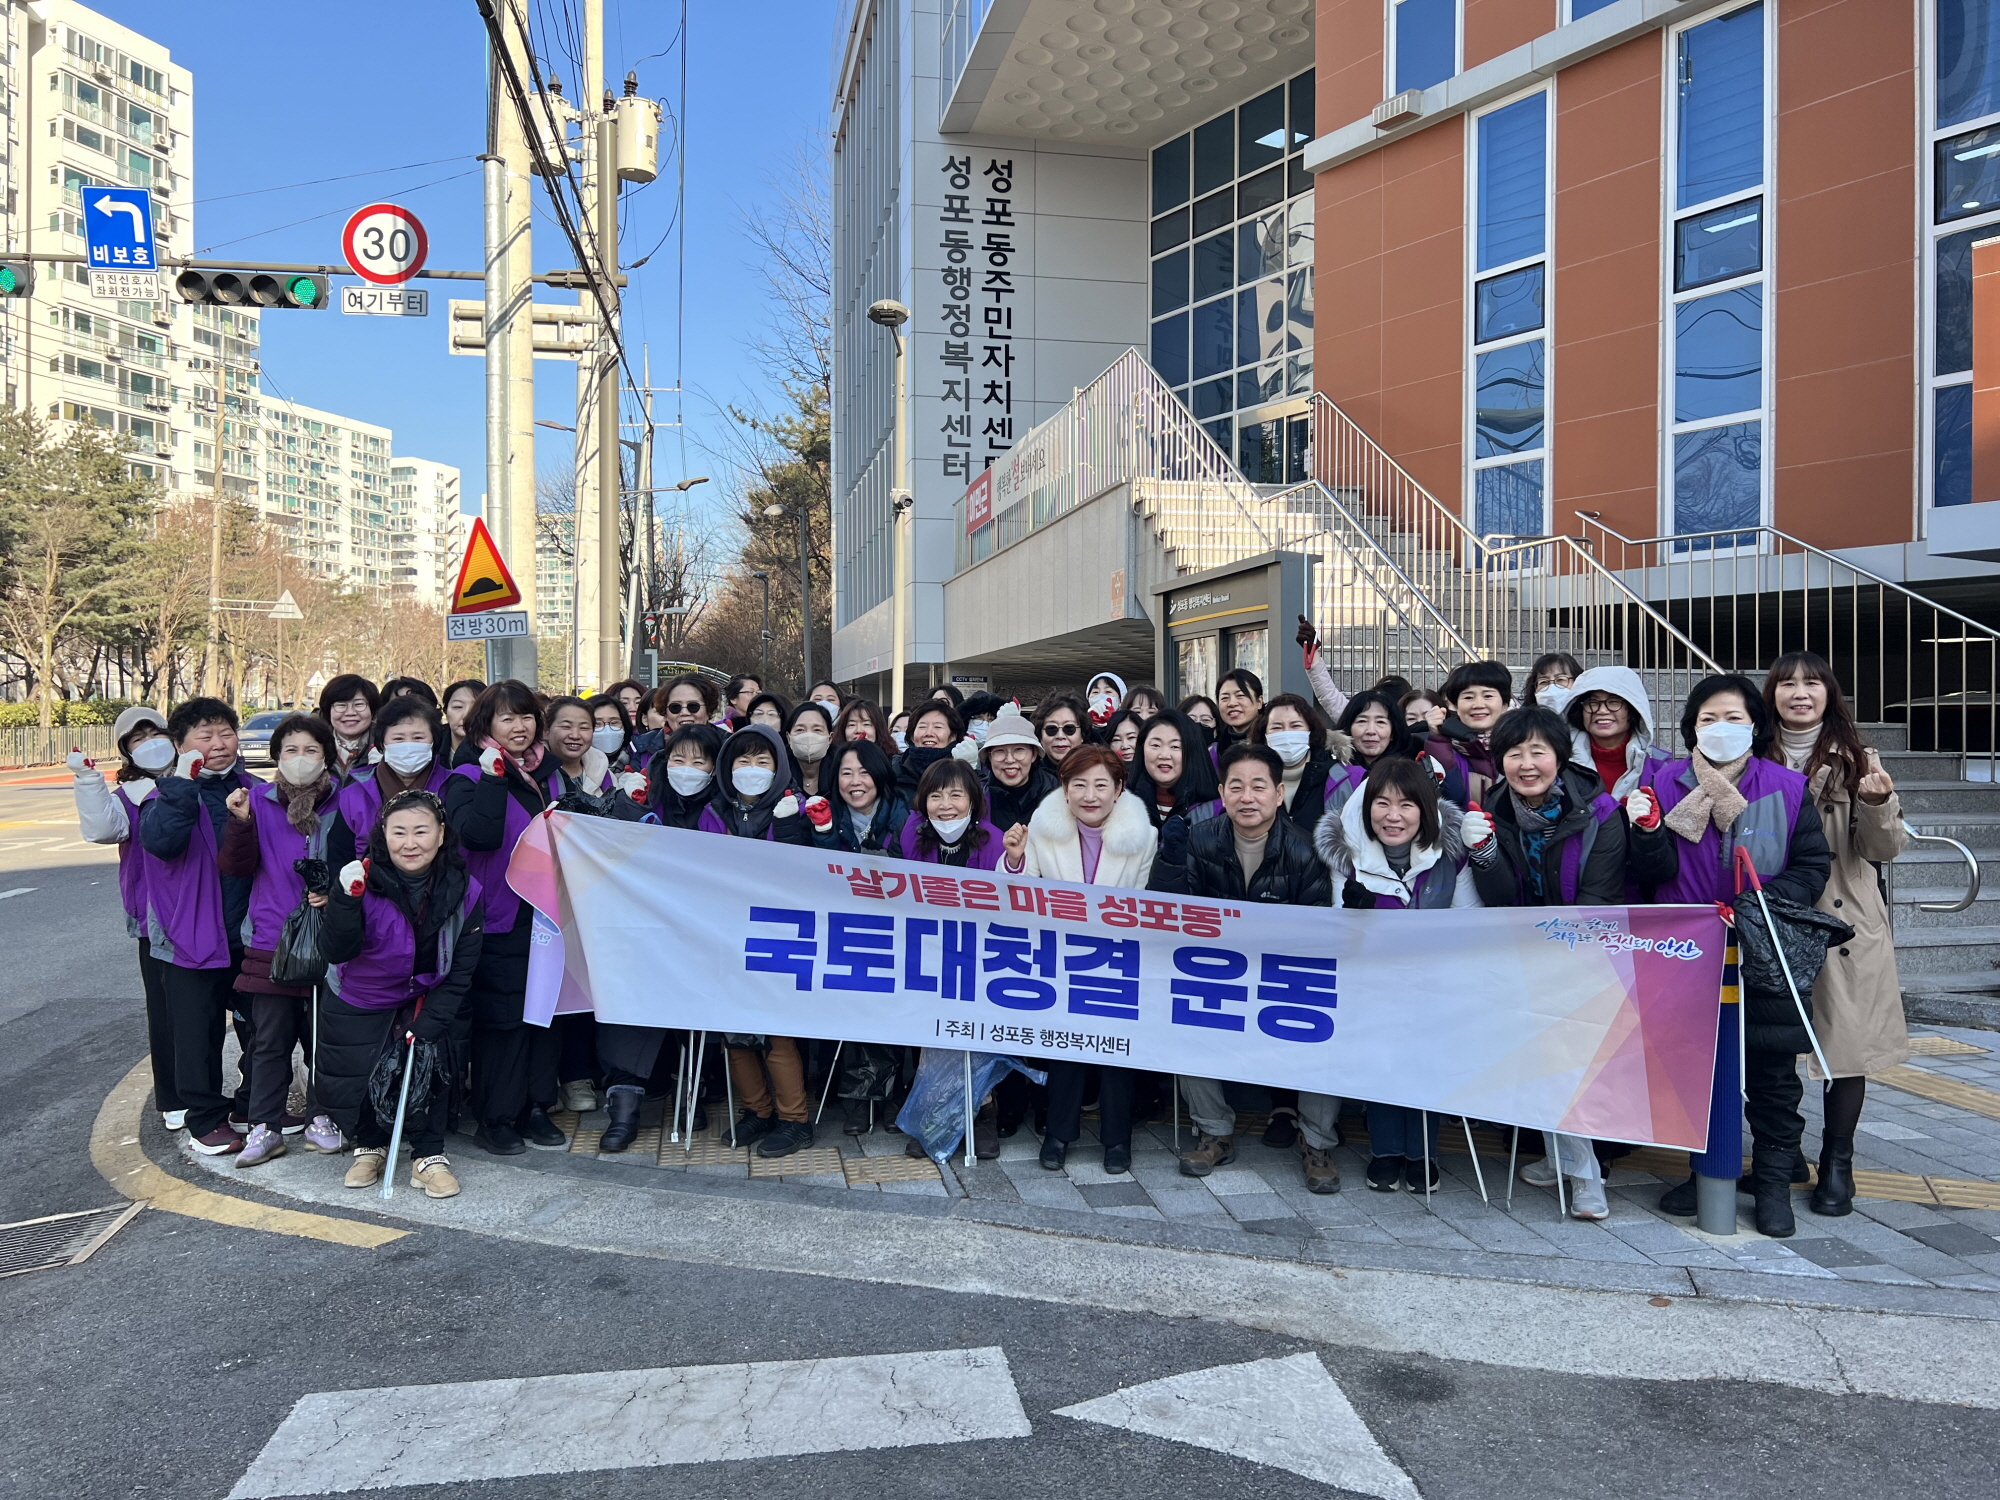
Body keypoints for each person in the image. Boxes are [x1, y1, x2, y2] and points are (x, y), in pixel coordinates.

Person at [1628, 673, 1831, 1238]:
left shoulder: (1788, 788)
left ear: (1756, 726)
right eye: (1708, 719)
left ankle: (1771, 1186)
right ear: (1691, 726)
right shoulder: (1662, 784)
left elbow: (1812, 868)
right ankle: (1703, 1172)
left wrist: (1755, 905)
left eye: (1734, 718)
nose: (1721, 729)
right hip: (1687, 954)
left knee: (1771, 1078)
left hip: (1764, 953)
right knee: (1694, 1071)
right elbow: (1645, 876)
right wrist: (1645, 833)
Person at [1464, 707, 1669, 1219]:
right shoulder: (1496, 810)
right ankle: (1562, 1158)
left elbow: (1599, 896)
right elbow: (1499, 897)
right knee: (1543, 1063)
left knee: (1565, 1062)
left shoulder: (1599, 813)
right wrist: (1484, 853)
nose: (1526, 764)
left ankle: (1586, 1176)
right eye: (1514, 753)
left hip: (1587, 954)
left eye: (1538, 751)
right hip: (1522, 953)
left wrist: (1556, 954)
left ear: (1559, 756)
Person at [1149, 743, 1342, 1192]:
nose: (1247, 797)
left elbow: (1313, 933)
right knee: (1185, 1020)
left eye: (1259, 786)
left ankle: (1316, 1141)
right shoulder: (1198, 840)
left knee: (1324, 1032)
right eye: (1236, 786)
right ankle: (1214, 1130)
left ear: (1279, 794)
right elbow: (1180, 915)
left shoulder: (1305, 850)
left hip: (1285, 977)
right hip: (1217, 972)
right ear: (1221, 792)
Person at [1764, 652, 1907, 1217]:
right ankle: (1783, 1151)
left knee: (1846, 1048)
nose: (1800, 693)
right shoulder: (1752, 754)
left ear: (1829, 693)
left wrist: (1877, 803)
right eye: (1787, 684)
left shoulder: (1857, 759)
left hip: (1844, 921)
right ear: (1771, 695)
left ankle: (1838, 1162)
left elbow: (1883, 851)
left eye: (1812, 683)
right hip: (1774, 915)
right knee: (1770, 1046)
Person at [1316, 757, 1479, 1193]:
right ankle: (1385, 1150)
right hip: (1373, 985)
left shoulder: (1451, 856)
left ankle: (1423, 1153)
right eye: (1382, 803)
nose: (1393, 815)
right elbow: (1339, 932)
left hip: (1434, 982)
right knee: (1382, 1061)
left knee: (1425, 1063)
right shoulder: (1348, 858)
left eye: (1406, 805)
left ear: (1425, 809)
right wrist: (1354, 914)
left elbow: (1470, 921)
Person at [1001, 744, 1157, 1173]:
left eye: (1101, 785)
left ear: (1119, 789)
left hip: (1116, 957)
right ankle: (1058, 1133)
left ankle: (1116, 1139)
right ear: (1065, 789)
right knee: (1065, 1048)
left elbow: (1143, 904)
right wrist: (1014, 860)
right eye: (1079, 785)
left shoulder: (1145, 836)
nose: (1090, 795)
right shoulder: (1041, 827)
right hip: (1058, 957)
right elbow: (1018, 894)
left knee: (1115, 1053)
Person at [319, 790, 484, 1199]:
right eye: (399, 833)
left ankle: (428, 1155)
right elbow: (336, 950)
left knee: (429, 1065)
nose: (410, 843)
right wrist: (344, 900)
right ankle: (369, 1145)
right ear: (383, 835)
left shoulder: (466, 889)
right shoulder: (360, 877)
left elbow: (462, 967)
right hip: (361, 992)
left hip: (425, 991)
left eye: (421, 831)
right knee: (362, 1072)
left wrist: (430, 1021)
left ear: (442, 834)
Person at [137, 698, 263, 1156]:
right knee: (198, 1032)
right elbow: (161, 842)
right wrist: (180, 787)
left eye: (226, 733)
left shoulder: (255, 789)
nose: (218, 744)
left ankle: (254, 1104)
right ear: (181, 745)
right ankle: (205, 1118)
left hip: (248, 934)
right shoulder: (165, 795)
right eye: (205, 736)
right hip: (190, 936)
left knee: (261, 1028)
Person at [217, 713, 344, 1166]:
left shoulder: (346, 802)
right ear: (276, 757)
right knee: (268, 1040)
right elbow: (235, 866)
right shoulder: (257, 803)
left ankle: (321, 1116)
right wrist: (239, 823)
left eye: (311, 750)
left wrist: (334, 891)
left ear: (327, 756)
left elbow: (362, 859)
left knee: (323, 1038)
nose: (300, 759)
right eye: (291, 750)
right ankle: (265, 1127)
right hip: (271, 938)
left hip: (330, 940)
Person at [444, 681, 563, 1157]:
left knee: (545, 1014)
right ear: (485, 726)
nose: (520, 726)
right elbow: (477, 838)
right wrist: (493, 779)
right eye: (507, 718)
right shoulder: (466, 777)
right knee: (504, 1020)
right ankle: (496, 1115)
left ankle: (537, 1105)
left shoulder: (546, 775)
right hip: (497, 916)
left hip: (547, 914)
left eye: (527, 716)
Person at [697, 723, 815, 1156]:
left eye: (761, 761)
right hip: (725, 935)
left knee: (776, 1033)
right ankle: (757, 1111)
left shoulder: (796, 810)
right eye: (742, 761)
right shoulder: (713, 812)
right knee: (735, 1033)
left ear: (779, 766)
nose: (750, 770)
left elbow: (807, 876)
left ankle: (794, 1119)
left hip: (778, 935)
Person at [71, 706, 180, 1129]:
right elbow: (102, 829)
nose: (149, 743)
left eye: (155, 733)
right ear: (126, 751)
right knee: (166, 1009)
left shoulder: (194, 781)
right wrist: (86, 779)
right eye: (137, 739)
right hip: (155, 919)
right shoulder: (126, 798)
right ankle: (174, 1098)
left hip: (207, 912)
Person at [329, 697, 456, 871]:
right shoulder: (354, 794)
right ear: (382, 743)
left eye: (418, 737)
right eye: (398, 738)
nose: (408, 745)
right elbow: (339, 858)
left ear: (433, 742)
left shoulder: (453, 786)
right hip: (371, 893)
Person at [1564, 666, 1673, 802]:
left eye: (1614, 702)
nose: (1602, 710)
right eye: (1593, 702)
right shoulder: (1560, 762)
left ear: (1633, 709)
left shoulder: (1659, 767)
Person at [1245, 692, 1342, 837]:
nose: (1287, 734)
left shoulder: (1339, 778)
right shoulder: (1247, 778)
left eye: (1295, 726)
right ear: (1264, 735)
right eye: (1276, 727)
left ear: (1310, 732)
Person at [1425, 660, 1510, 806]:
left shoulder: (1518, 745)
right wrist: (1438, 738)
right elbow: (1450, 798)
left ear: (1504, 705)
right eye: (1468, 697)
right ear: (1456, 706)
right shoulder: (1443, 748)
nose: (1478, 705)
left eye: (1488, 696)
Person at [898, 758, 1006, 868]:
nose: (945, 805)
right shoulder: (907, 832)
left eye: (955, 795)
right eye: (935, 796)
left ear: (972, 801)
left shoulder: (996, 843)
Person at [1126, 709, 1221, 833]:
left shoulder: (1216, 809)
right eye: (1155, 745)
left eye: (1175, 747)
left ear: (1193, 752)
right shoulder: (1121, 800)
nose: (1164, 755)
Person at [811, 739, 906, 853]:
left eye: (864, 772)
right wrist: (824, 832)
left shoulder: (905, 819)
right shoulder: (823, 816)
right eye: (847, 773)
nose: (855, 782)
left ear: (880, 773)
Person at [978, 708, 1059, 832]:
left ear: (1033, 755)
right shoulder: (978, 795)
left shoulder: (1057, 792)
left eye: (1019, 750)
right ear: (990, 757)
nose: (1010, 760)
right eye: (1000, 751)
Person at [647, 723, 726, 828]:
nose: (686, 770)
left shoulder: (723, 806)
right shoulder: (650, 794)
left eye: (698, 762)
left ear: (714, 768)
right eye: (679, 760)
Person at [893, 699, 962, 803]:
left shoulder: (963, 770)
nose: (929, 733)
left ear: (953, 736)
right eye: (922, 727)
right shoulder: (894, 770)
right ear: (911, 735)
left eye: (938, 727)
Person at [317, 674, 381, 778]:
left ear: (372, 710)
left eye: (359, 704)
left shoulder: (387, 744)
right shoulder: (313, 742)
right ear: (328, 710)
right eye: (341, 705)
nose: (350, 713)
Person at [784, 700, 835, 796]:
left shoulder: (841, 773)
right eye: (800, 730)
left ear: (830, 738)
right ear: (788, 737)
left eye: (817, 730)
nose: (808, 735)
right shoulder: (779, 774)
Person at [586, 693, 643, 776]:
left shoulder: (639, 763)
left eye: (614, 722)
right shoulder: (574, 767)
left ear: (624, 726)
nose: (607, 730)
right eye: (597, 723)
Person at [1032, 690, 1092, 762]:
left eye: (1069, 728)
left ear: (1082, 734)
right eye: (1051, 729)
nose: (1060, 736)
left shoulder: (1102, 770)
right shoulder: (1026, 771)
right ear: (1040, 736)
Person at [1213, 668, 1264, 753]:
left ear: (1259, 702)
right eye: (1225, 698)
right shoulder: (1217, 748)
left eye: (1240, 695)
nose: (1232, 703)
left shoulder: (1271, 738)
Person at [441, 679, 485, 757]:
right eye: (458, 707)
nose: (466, 716)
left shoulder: (498, 752)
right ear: (446, 711)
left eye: (475, 708)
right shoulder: (431, 749)